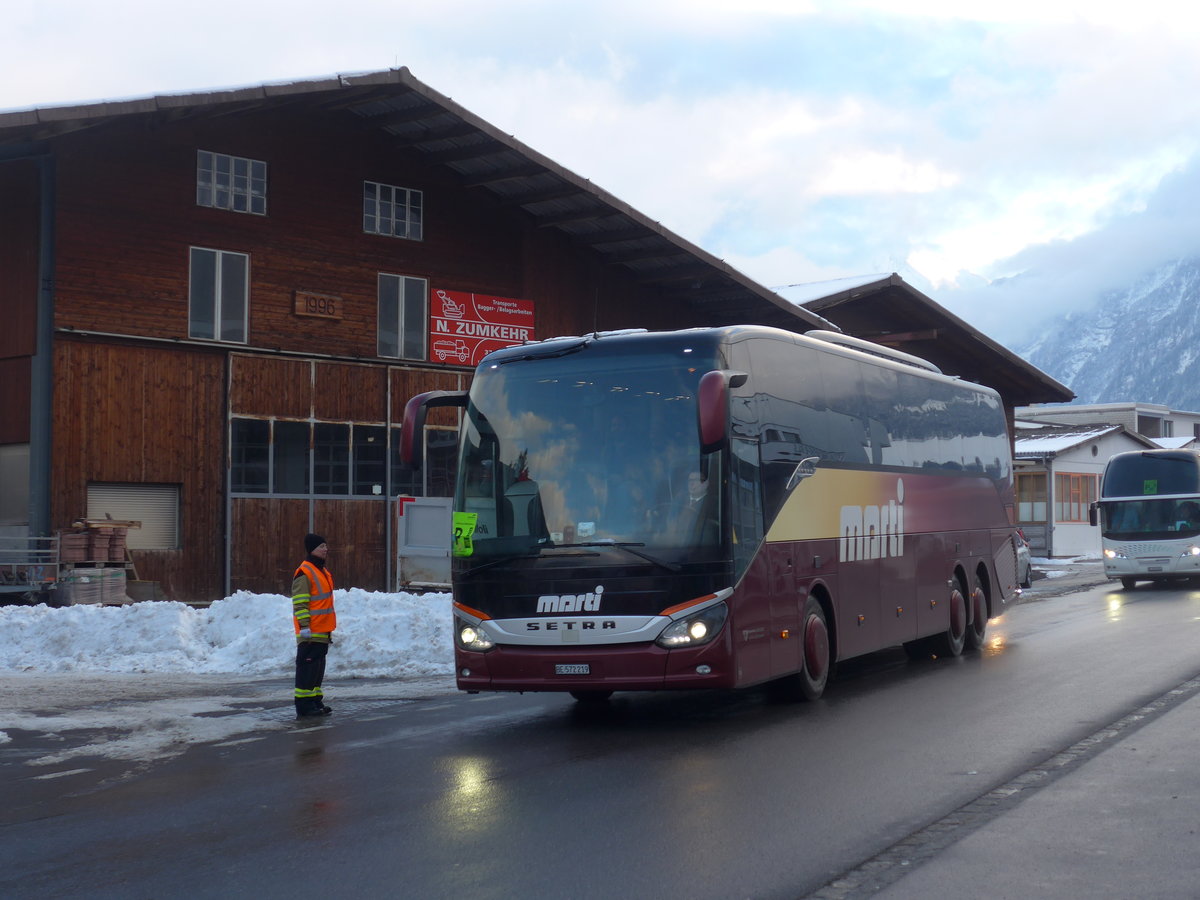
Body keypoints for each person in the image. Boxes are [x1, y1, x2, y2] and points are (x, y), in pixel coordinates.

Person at [292, 533, 336, 718]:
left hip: (322, 630)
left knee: (317, 670)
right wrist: (304, 627)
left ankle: (315, 701)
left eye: (325, 546)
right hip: (311, 631)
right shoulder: (305, 572)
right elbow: (300, 602)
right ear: (312, 550)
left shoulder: (321, 571)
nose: (325, 549)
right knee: (307, 669)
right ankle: (304, 706)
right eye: (321, 546)